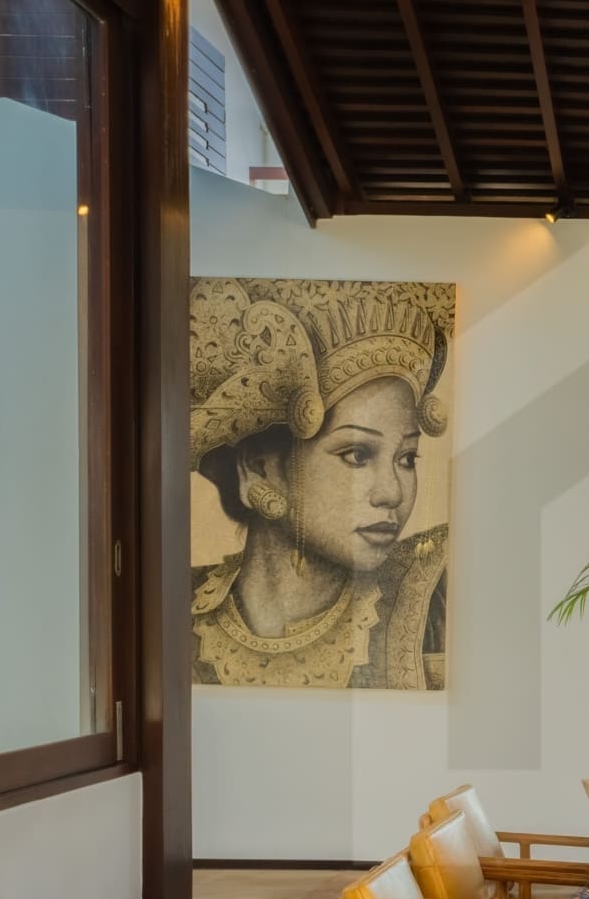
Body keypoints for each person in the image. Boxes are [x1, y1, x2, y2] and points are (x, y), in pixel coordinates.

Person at [187, 278, 450, 688]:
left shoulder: (434, 595)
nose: (392, 492)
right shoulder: (171, 605)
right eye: (357, 455)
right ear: (258, 468)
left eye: (406, 458)